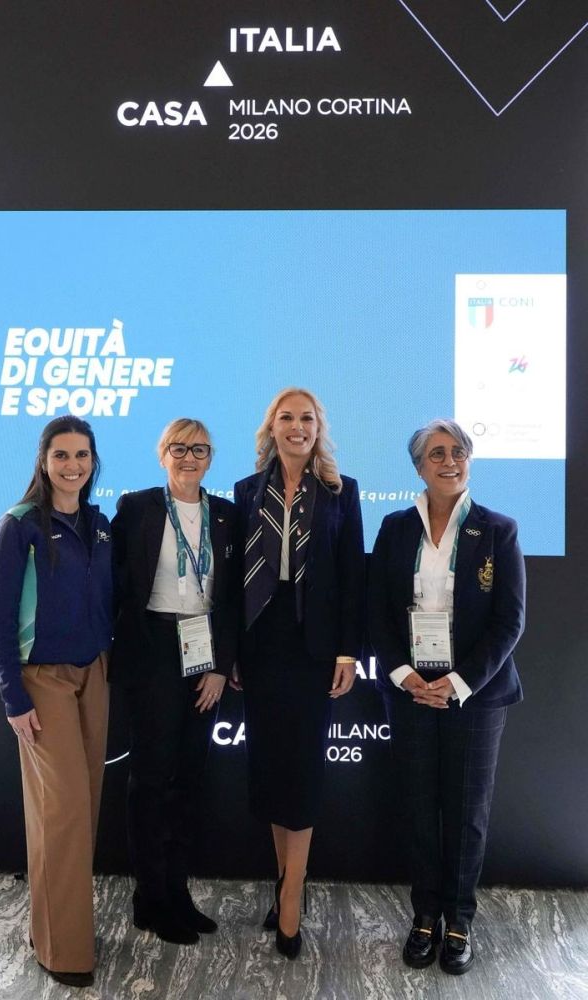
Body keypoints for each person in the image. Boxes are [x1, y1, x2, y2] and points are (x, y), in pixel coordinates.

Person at [368, 418, 525, 976]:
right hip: (411, 691)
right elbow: (376, 612)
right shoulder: (394, 528)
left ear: (469, 460)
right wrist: (404, 675)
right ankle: (425, 917)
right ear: (418, 467)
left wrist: (458, 684)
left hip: (474, 696)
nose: (449, 461)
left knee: (466, 814)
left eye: (458, 451)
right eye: (436, 453)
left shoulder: (498, 529)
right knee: (418, 808)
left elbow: (509, 622)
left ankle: (458, 920)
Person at [234, 388, 365, 959]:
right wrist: (232, 651)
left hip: (313, 645)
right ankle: (283, 879)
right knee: (270, 765)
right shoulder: (246, 491)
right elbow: (235, 577)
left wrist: (347, 652)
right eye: (286, 418)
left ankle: (292, 894)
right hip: (261, 642)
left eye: (306, 418)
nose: (297, 427)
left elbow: (353, 576)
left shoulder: (341, 491)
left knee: (305, 767)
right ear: (272, 428)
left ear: (318, 428)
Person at [0, 416, 112, 989]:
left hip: (94, 674)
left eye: (82, 455)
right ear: (43, 461)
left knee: (83, 810)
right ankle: (64, 951)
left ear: (93, 461)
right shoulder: (18, 527)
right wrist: (13, 698)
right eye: (61, 455)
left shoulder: (99, 525)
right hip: (43, 681)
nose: (72, 465)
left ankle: (54, 927)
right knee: (62, 814)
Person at [110, 419, 239, 945]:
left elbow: (233, 598)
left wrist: (220, 666)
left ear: (211, 457)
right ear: (163, 454)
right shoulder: (136, 508)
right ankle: (151, 897)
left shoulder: (226, 515)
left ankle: (178, 892)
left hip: (203, 651)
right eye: (179, 448)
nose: (190, 458)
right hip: (154, 651)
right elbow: (116, 584)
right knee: (151, 779)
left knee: (189, 777)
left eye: (200, 449)